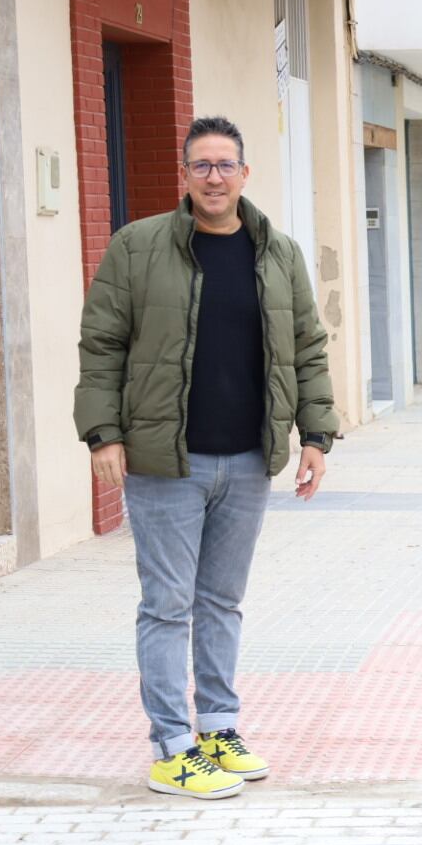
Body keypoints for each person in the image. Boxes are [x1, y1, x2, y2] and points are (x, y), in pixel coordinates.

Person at [75, 115, 338, 800]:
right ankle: (170, 745)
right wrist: (103, 432)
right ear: (184, 176)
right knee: (166, 605)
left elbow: (307, 347)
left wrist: (316, 434)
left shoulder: (277, 254)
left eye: (226, 165)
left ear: (245, 175)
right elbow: (101, 343)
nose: (214, 177)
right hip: (167, 460)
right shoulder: (137, 248)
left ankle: (218, 726)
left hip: (248, 459)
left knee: (221, 601)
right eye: (202, 166)